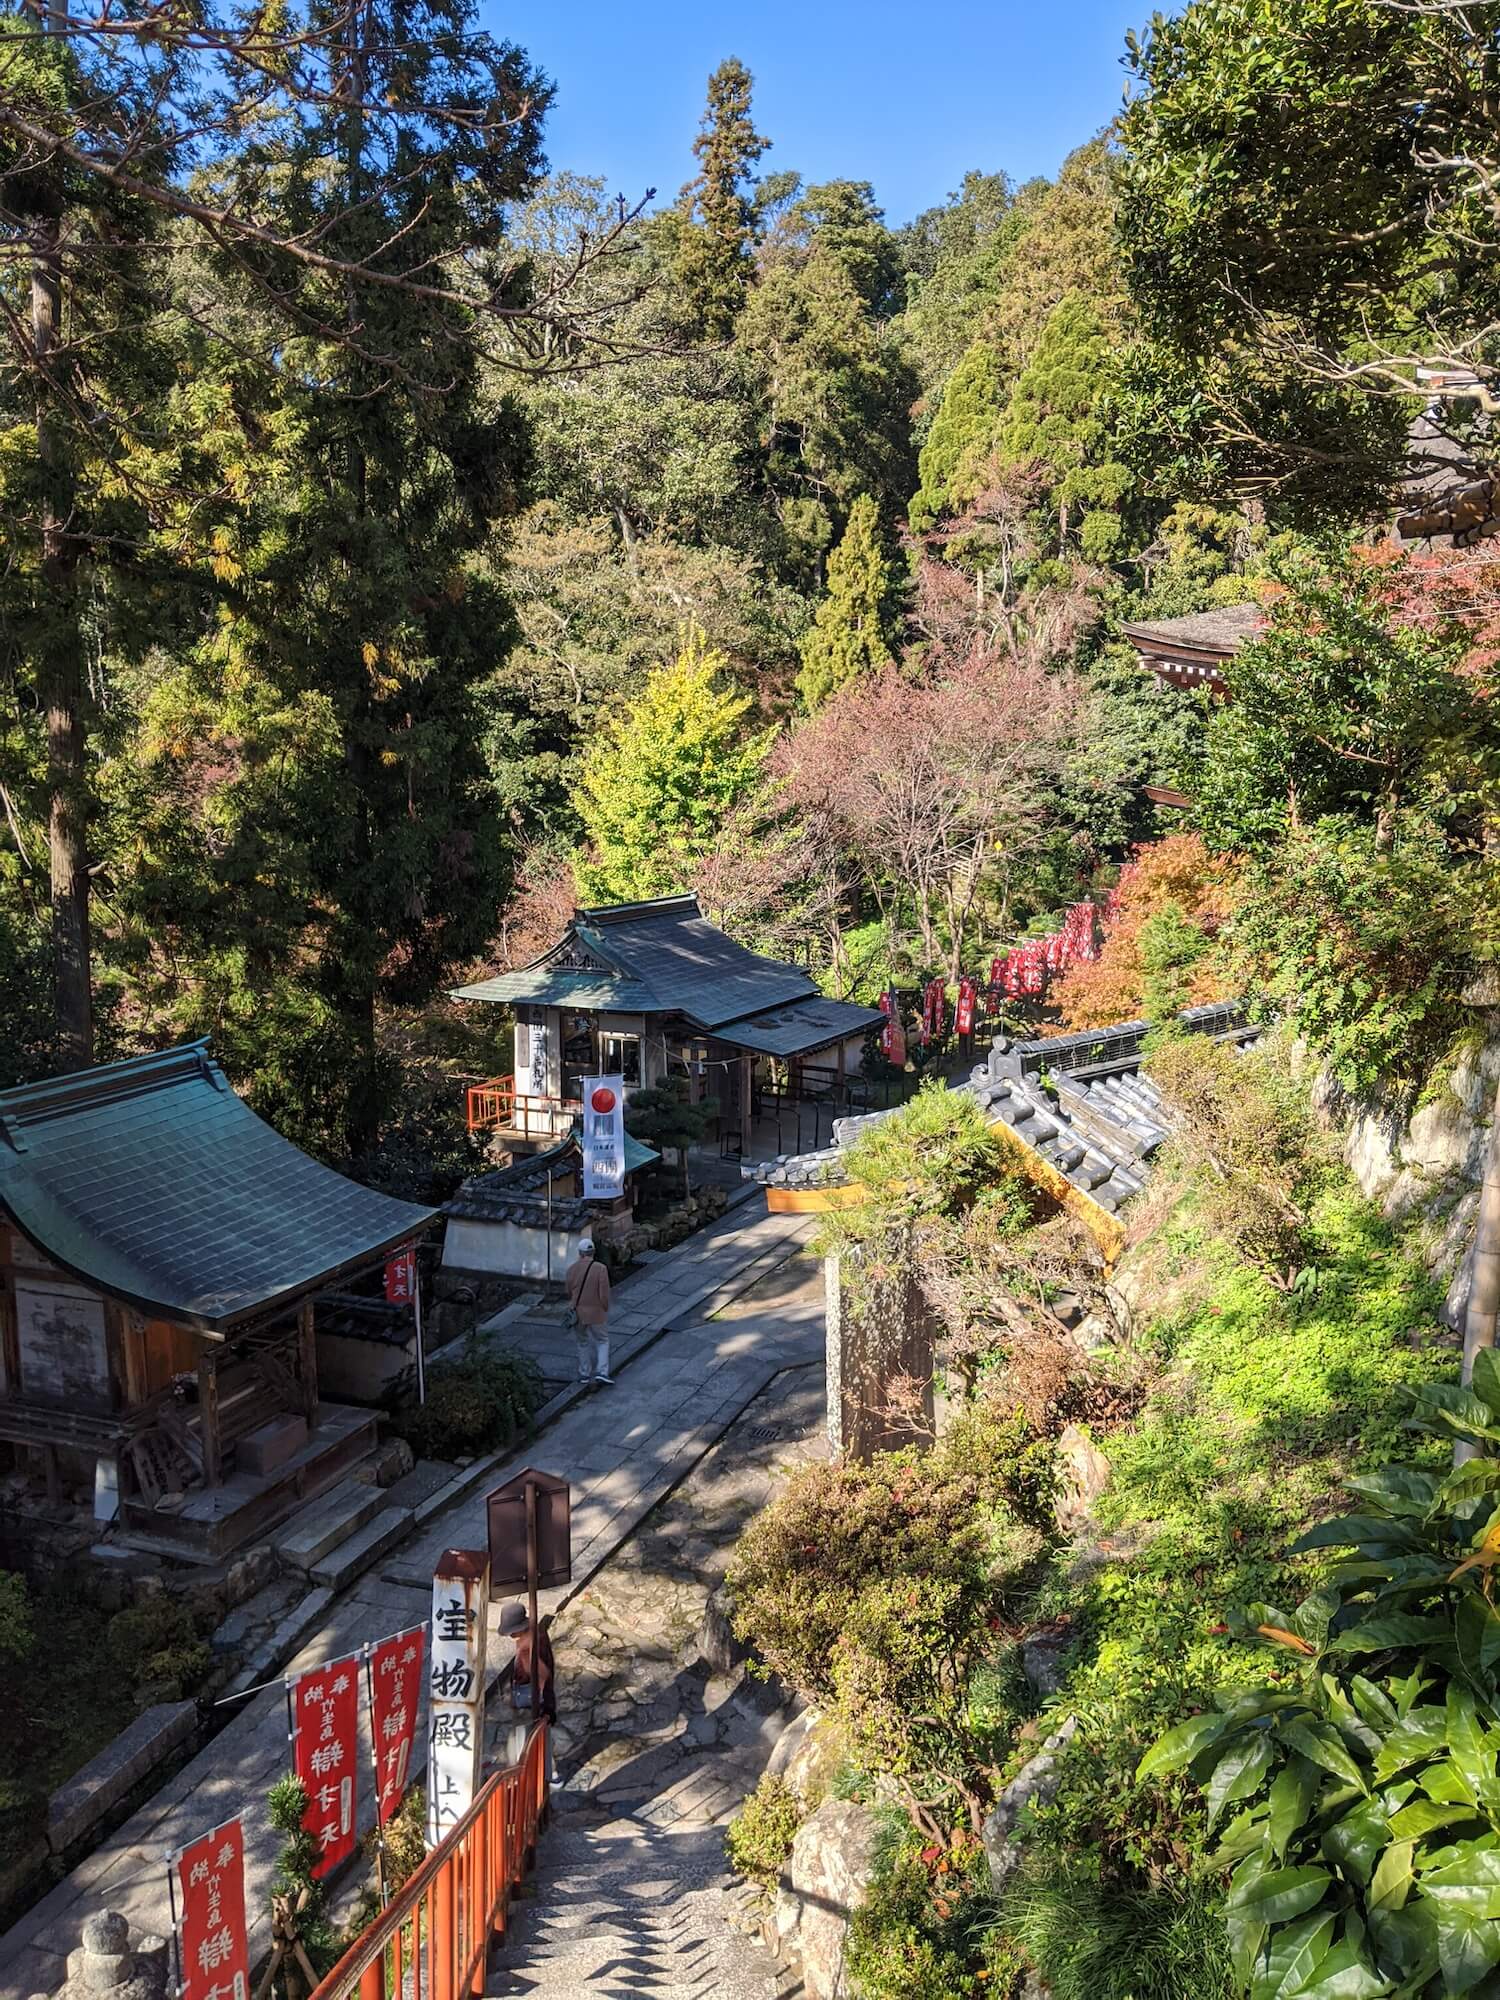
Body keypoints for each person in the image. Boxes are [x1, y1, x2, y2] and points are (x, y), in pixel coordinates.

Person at [499, 1599, 557, 1788]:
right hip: (538, 1697)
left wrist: (544, 1702)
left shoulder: (528, 1647)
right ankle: (549, 1773)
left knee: (522, 1738)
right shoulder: (537, 1633)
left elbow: (542, 1675)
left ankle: (522, 1777)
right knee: (539, 1737)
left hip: (530, 1698)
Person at [565, 1236, 612, 1385]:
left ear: (580, 1253)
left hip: (578, 1311)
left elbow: (568, 1290)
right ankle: (602, 1371)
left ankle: (584, 1373)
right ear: (593, 1252)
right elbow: (604, 1293)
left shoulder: (572, 1269)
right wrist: (605, 1307)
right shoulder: (601, 1269)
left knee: (582, 1342)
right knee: (602, 1340)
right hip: (596, 1311)